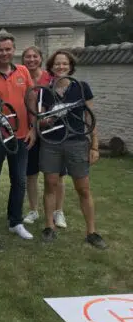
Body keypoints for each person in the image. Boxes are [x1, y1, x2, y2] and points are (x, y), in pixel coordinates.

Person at [39, 50, 106, 248]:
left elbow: (90, 119)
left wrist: (94, 146)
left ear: (70, 67)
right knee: (50, 184)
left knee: (83, 188)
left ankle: (91, 232)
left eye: (64, 64)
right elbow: (40, 120)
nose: (60, 67)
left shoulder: (82, 87)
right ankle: (49, 226)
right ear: (51, 67)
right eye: (57, 64)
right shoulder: (45, 91)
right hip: (51, 143)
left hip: (76, 142)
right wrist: (48, 119)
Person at [0, 30, 36, 240]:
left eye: (7, 49)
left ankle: (16, 222)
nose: (4, 53)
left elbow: (31, 100)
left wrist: (33, 128)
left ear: (13, 50)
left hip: (21, 136)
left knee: (19, 181)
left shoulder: (23, 71)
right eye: (0, 50)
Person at [21, 46, 67, 227]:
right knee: (31, 174)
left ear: (41, 58)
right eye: (27, 57)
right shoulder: (21, 76)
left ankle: (58, 211)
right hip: (29, 131)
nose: (31, 60)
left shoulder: (51, 78)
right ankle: (33, 210)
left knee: (57, 175)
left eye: (35, 56)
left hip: (51, 132)